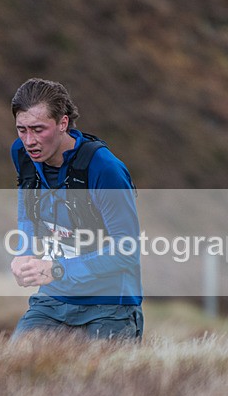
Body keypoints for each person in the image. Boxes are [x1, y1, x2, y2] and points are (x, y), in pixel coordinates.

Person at [8, 78, 143, 341]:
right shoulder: (22, 154)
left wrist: (57, 269)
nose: (29, 140)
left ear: (63, 123)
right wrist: (24, 252)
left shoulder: (104, 168)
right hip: (53, 299)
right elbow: (27, 208)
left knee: (102, 383)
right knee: (12, 373)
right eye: (21, 130)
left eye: (38, 129)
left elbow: (128, 251)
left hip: (110, 306)